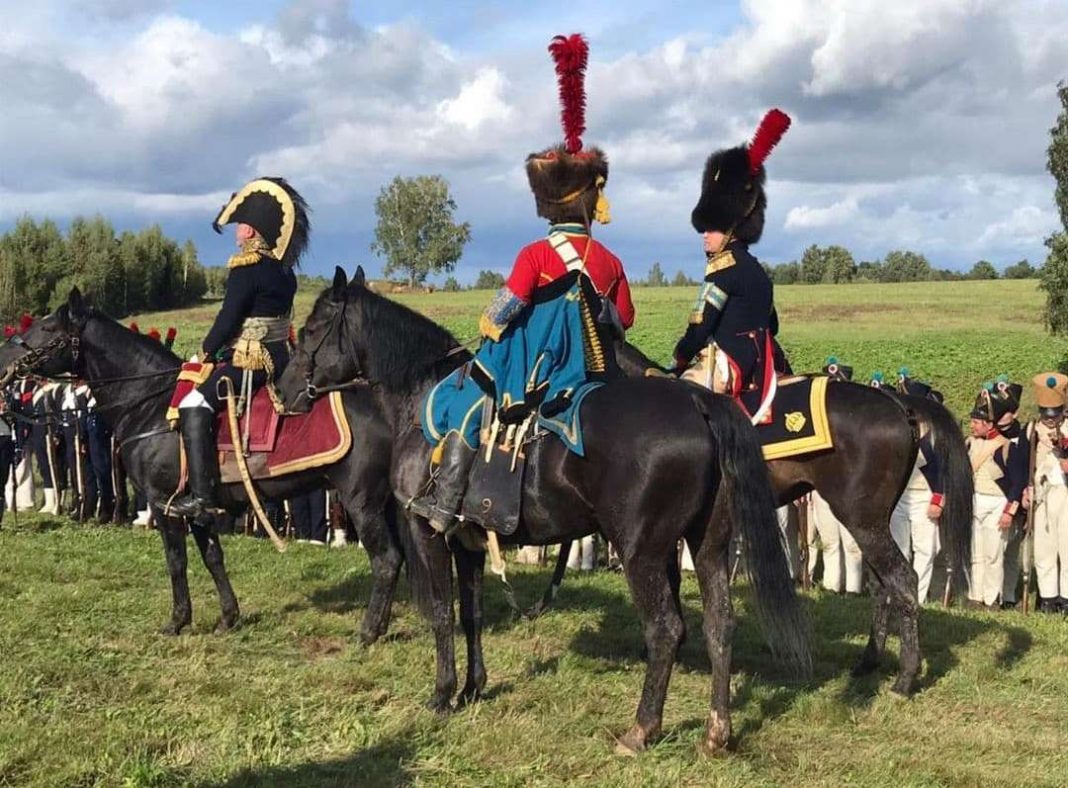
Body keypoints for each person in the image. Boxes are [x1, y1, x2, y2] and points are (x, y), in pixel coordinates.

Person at [411, 34, 635, 535]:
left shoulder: (535, 254)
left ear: (552, 205)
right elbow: (624, 320)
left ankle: (446, 503)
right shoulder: (612, 260)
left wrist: (487, 323)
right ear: (588, 204)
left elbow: (507, 307)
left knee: (465, 401)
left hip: (530, 368)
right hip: (591, 369)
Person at [168, 177, 309, 519]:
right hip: (279, 358)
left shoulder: (246, 269)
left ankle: (202, 497)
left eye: (241, 225)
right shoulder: (285, 272)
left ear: (251, 231)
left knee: (193, 404)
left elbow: (229, 319)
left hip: (251, 361)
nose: (236, 231)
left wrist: (205, 351)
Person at [672, 109, 792, 423]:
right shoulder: (757, 271)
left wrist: (682, 354)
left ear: (731, 228)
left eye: (711, 229)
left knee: (675, 407)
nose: (705, 236)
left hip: (729, 363)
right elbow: (773, 325)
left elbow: (701, 327)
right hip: (763, 363)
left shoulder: (722, 268)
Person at [966, 377, 1029, 610]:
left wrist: (1009, 511)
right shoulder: (970, 443)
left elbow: (1018, 482)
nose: (972, 425)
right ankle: (976, 595)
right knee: (976, 553)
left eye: (976, 421)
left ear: (989, 424)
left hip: (997, 503)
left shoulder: (1005, 445)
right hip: (977, 500)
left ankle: (992, 598)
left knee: (993, 555)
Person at [890, 369, 947, 604]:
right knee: (900, 548)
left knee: (925, 550)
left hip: (925, 497)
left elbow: (943, 470)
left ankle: (919, 596)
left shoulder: (935, 436)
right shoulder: (896, 431)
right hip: (900, 496)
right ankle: (899, 594)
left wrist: (938, 499)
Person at [1024, 373, 1068, 613]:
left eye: (1055, 414)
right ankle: (1048, 599)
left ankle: (1066, 599)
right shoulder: (1032, 429)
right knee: (1043, 549)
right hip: (1041, 494)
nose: (1050, 420)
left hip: (1065, 493)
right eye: (1046, 414)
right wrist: (1025, 488)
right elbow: (1024, 463)